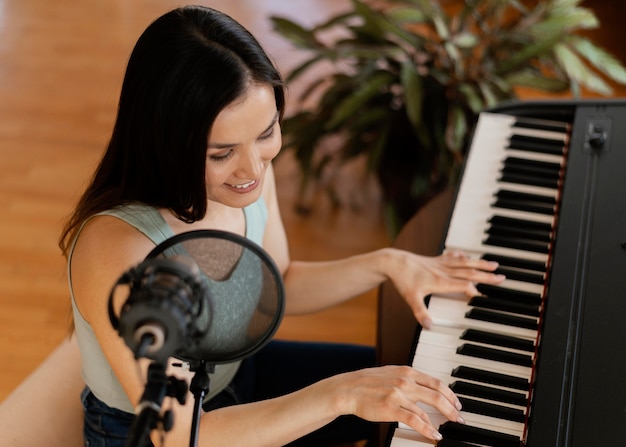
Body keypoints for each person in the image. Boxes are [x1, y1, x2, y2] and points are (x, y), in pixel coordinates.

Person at [57, 5, 505, 447]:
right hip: (160, 433)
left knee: (413, 388)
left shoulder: (246, 179)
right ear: (163, 142)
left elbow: (280, 280)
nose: (252, 168)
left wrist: (387, 264)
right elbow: (183, 435)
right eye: (221, 153)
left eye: (267, 132)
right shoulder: (118, 252)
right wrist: (340, 395)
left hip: (238, 378)